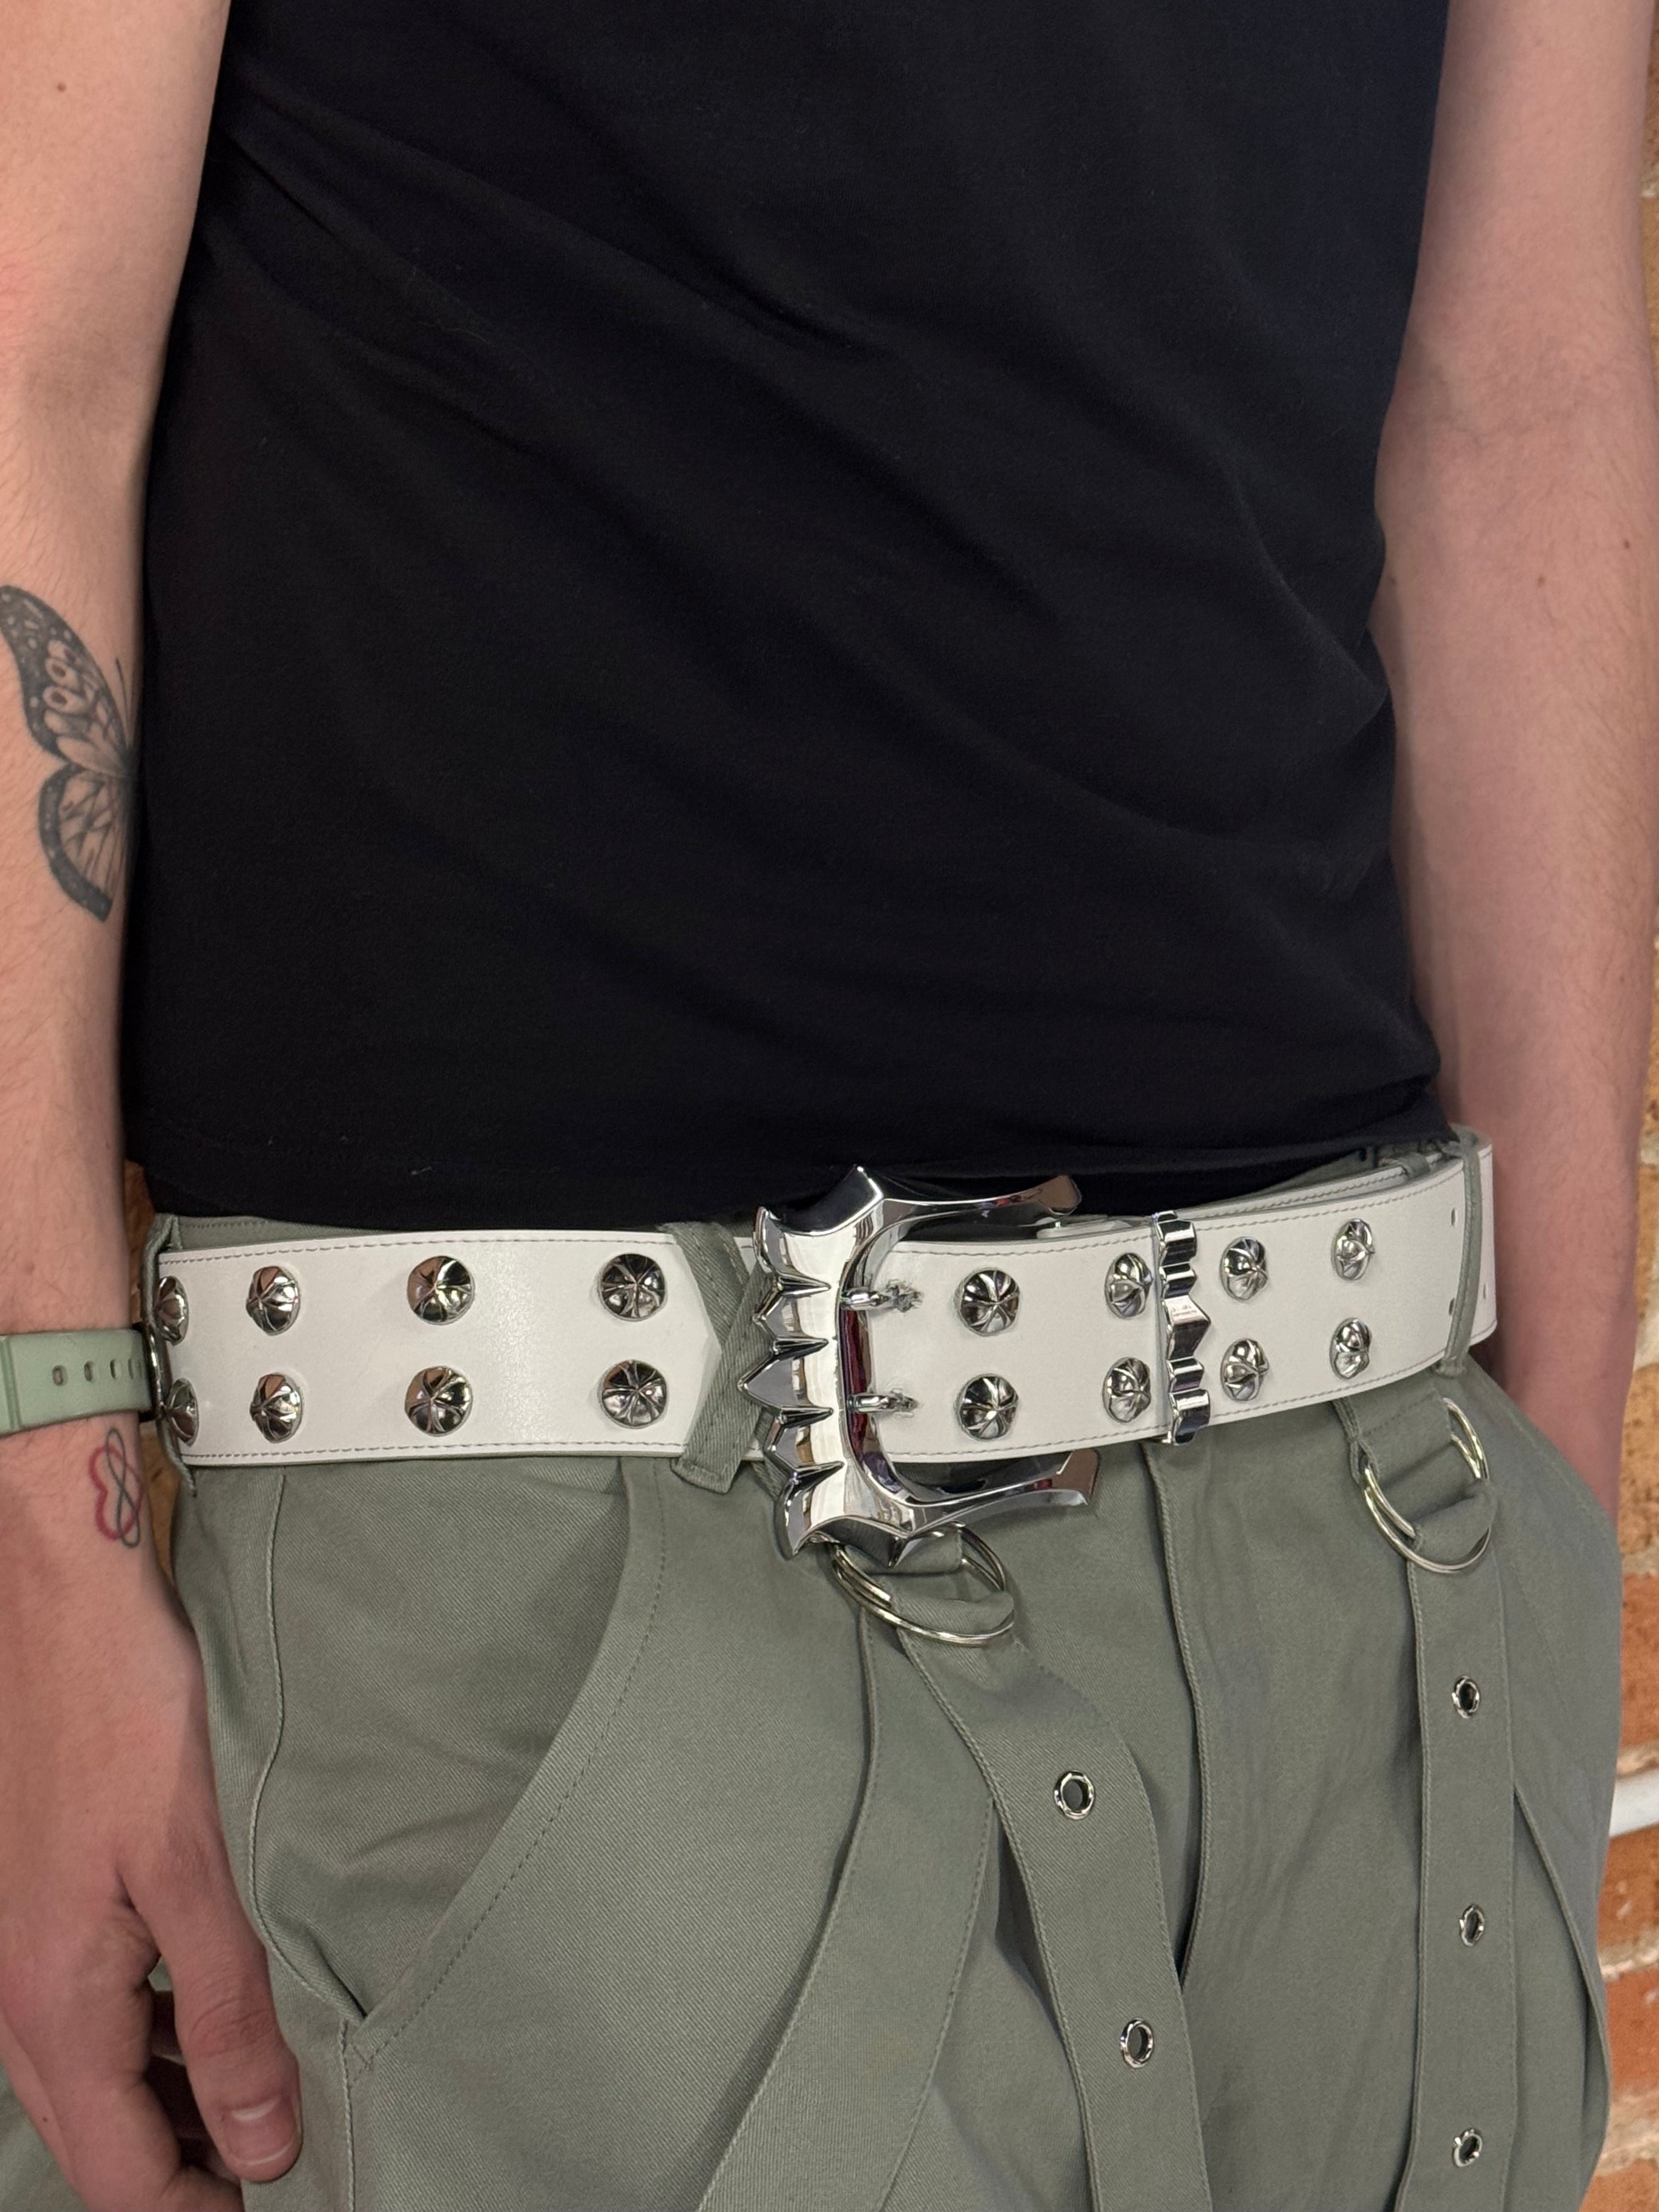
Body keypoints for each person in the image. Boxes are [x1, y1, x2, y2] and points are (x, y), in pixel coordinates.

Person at [0, 0, 1652, 2205]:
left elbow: (1520, 389)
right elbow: (29, 355)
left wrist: (1551, 1493)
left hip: (1362, 1531)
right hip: (562, 1558)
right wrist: (41, 1521)